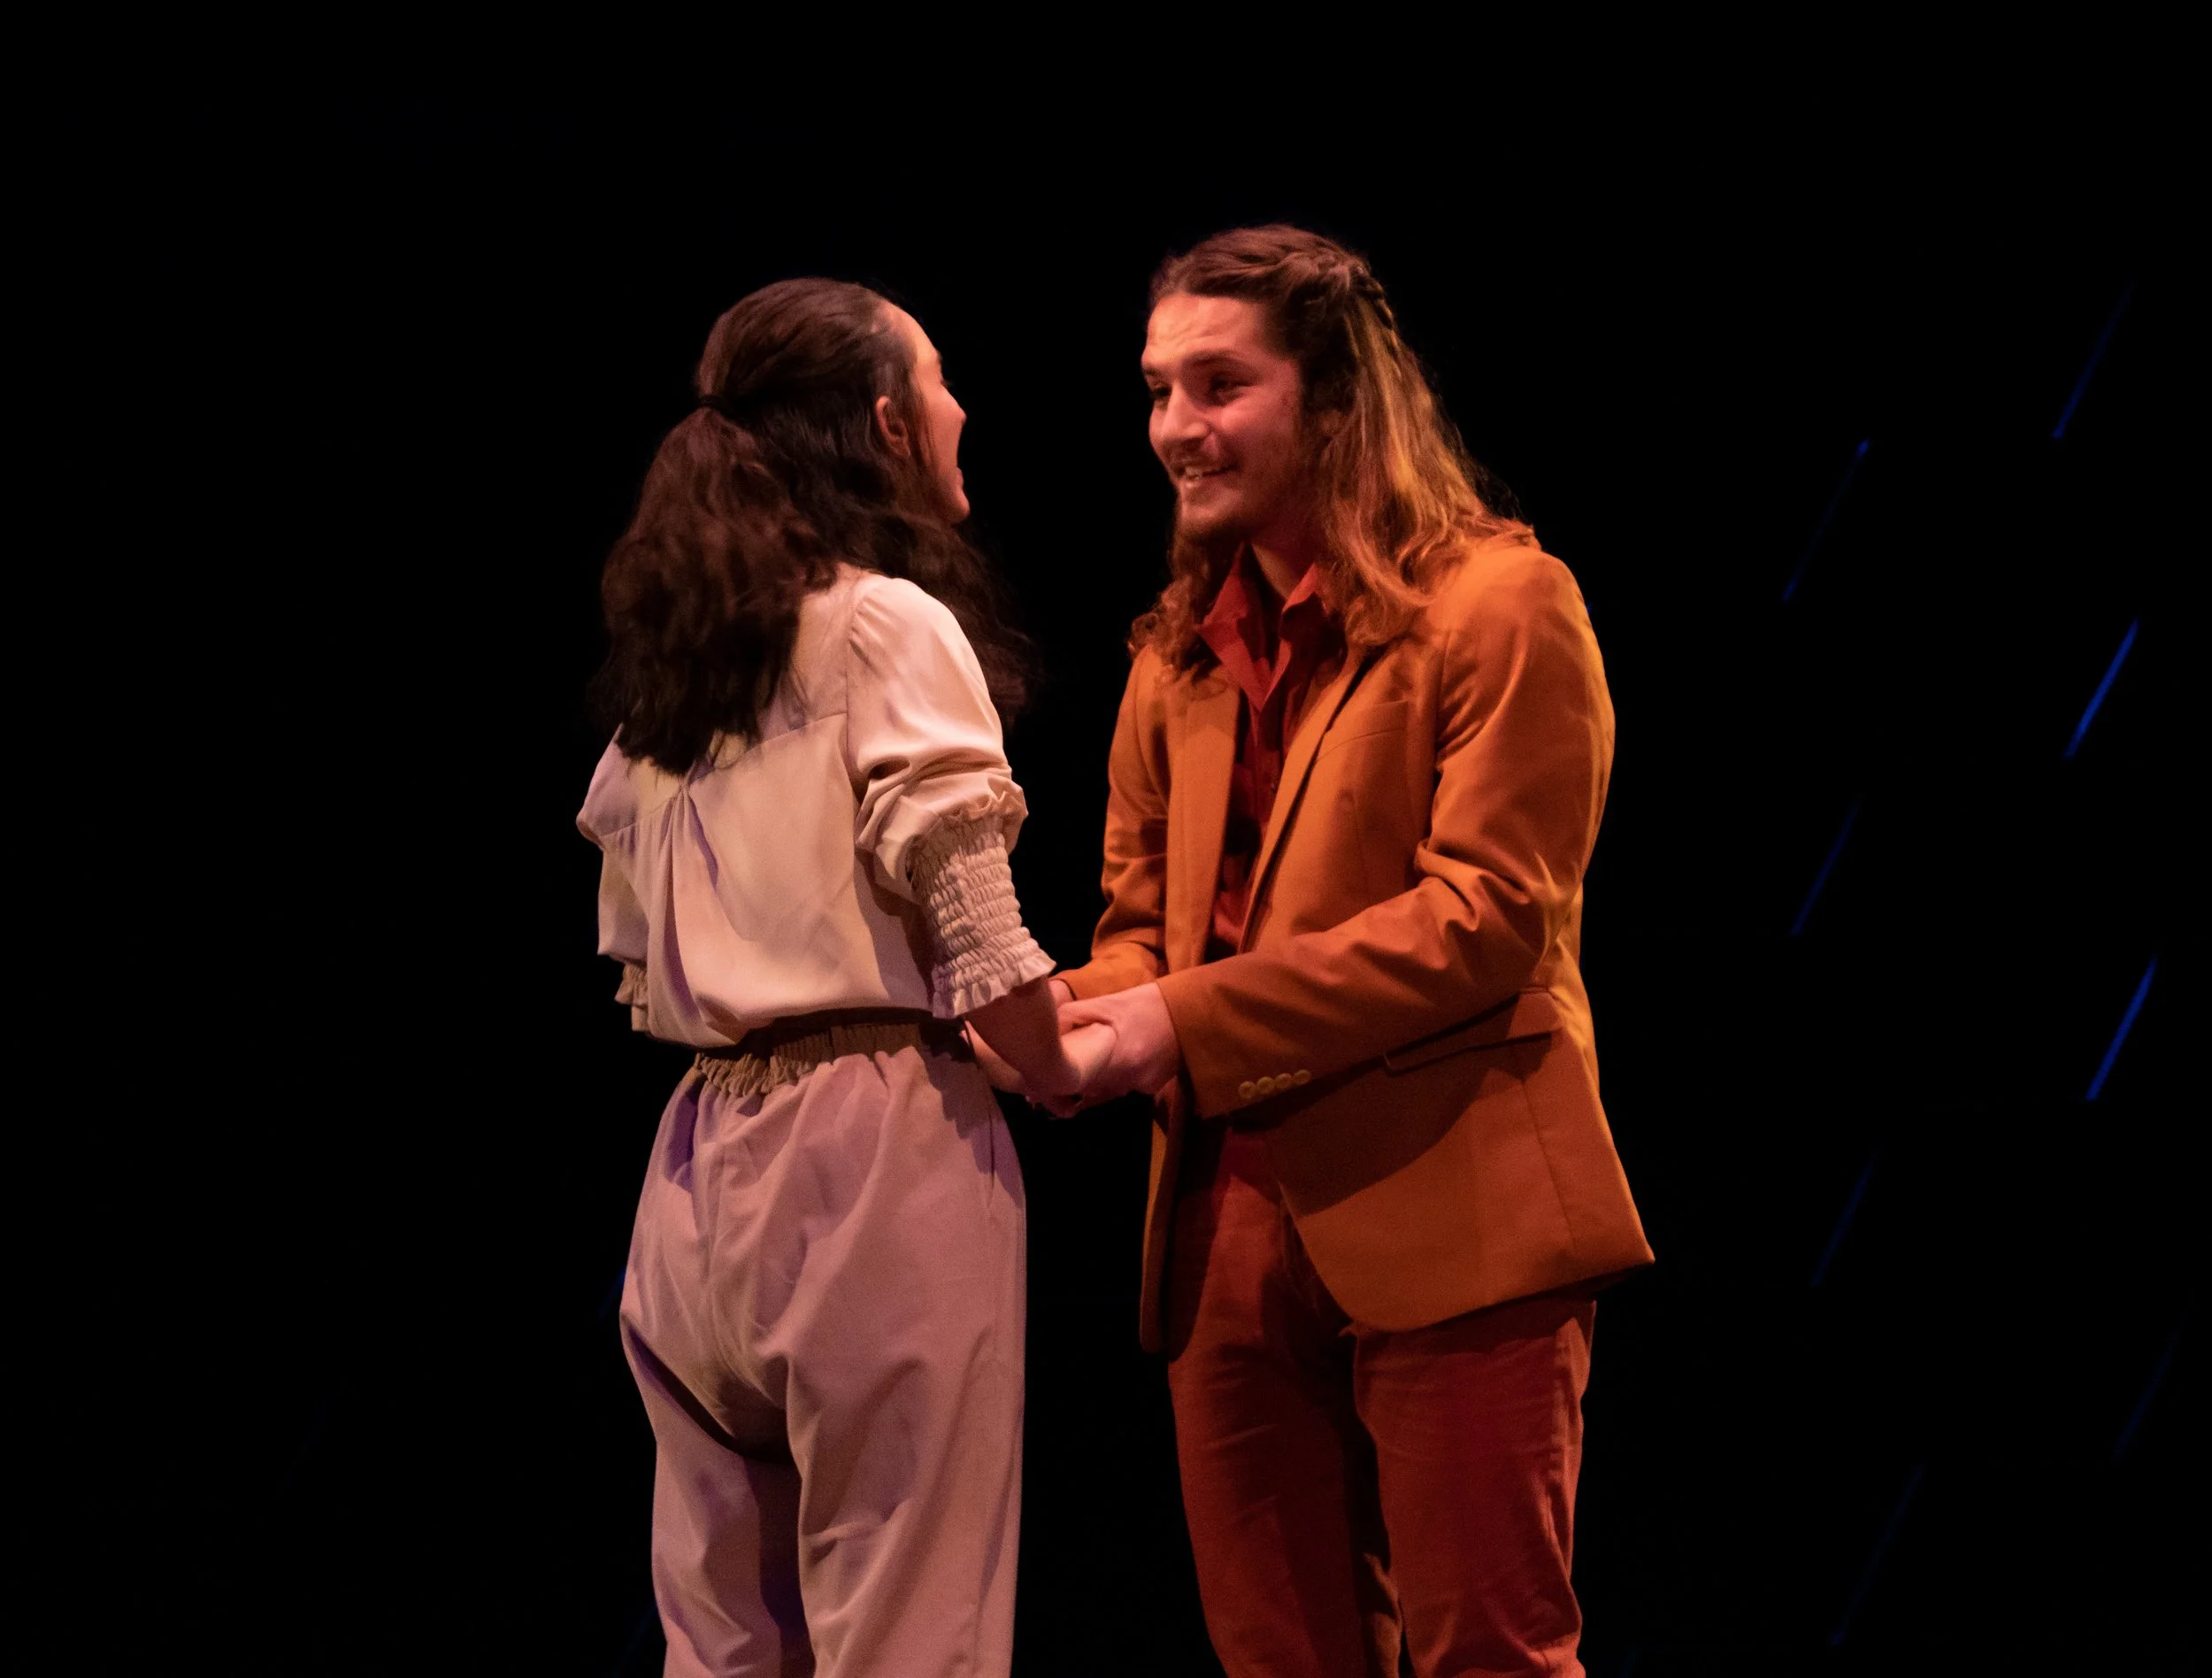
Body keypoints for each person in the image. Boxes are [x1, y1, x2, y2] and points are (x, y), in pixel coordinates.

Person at [1045, 227, 1655, 1676]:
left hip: (1456, 1197)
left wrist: (1169, 1021)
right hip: (1222, 1224)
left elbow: (1489, 916)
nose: (1176, 430)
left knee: (1489, 1659)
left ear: (1333, 401)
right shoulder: (1172, 658)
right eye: (1157, 391)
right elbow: (1141, 930)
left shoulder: (1502, 604)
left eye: (1217, 385)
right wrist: (1045, 1011)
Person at [577, 279, 1106, 1678]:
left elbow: (644, 955)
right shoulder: (885, 625)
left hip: (696, 1162)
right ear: (883, 422)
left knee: (723, 1643)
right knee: (909, 1629)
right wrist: (1061, 1056)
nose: (961, 406)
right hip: (871, 1149)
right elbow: (973, 917)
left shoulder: (684, 663)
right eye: (938, 378)